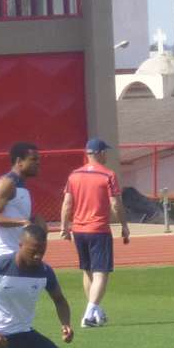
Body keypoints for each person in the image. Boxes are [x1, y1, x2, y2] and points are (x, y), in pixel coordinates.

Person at [0, 141, 51, 348]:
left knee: (22, 307)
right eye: (34, 159)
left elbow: (14, 216)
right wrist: (24, 223)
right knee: (9, 310)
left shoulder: (22, 186)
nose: (38, 164)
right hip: (3, 254)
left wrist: (33, 222)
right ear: (19, 161)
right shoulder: (8, 183)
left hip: (17, 251)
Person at [59, 137, 130, 328]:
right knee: (101, 272)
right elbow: (116, 203)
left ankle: (95, 310)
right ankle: (89, 314)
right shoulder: (108, 175)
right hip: (98, 229)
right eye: (105, 151)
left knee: (88, 270)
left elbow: (67, 203)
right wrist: (124, 225)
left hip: (79, 230)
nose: (107, 154)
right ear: (99, 153)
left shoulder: (74, 175)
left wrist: (64, 227)